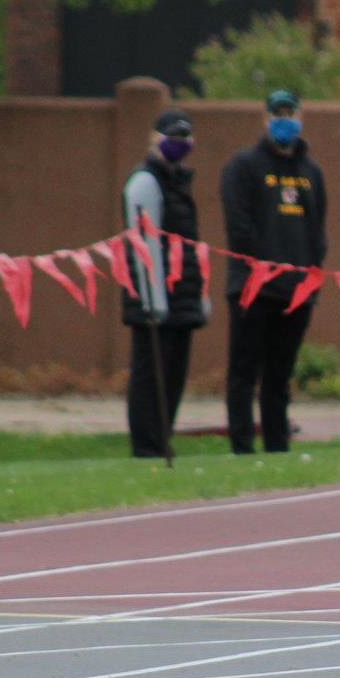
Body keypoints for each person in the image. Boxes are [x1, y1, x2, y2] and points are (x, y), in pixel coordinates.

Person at [219, 88, 325, 454]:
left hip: (296, 292)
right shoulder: (243, 167)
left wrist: (309, 279)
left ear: (300, 117)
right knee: (244, 373)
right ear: (265, 119)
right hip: (253, 289)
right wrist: (264, 268)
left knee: (279, 377)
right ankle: (242, 448)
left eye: (290, 113)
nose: (284, 120)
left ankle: (278, 447)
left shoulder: (311, 172)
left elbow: (318, 231)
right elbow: (239, 228)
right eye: (277, 114)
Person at [121, 106, 208, 458]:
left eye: (184, 136)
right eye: (172, 136)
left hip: (182, 295)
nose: (179, 142)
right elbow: (145, 246)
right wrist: (152, 298)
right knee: (150, 375)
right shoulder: (145, 182)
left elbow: (189, 246)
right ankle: (147, 447)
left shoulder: (179, 182)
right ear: (155, 139)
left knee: (173, 375)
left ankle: (162, 439)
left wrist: (198, 294)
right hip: (155, 300)